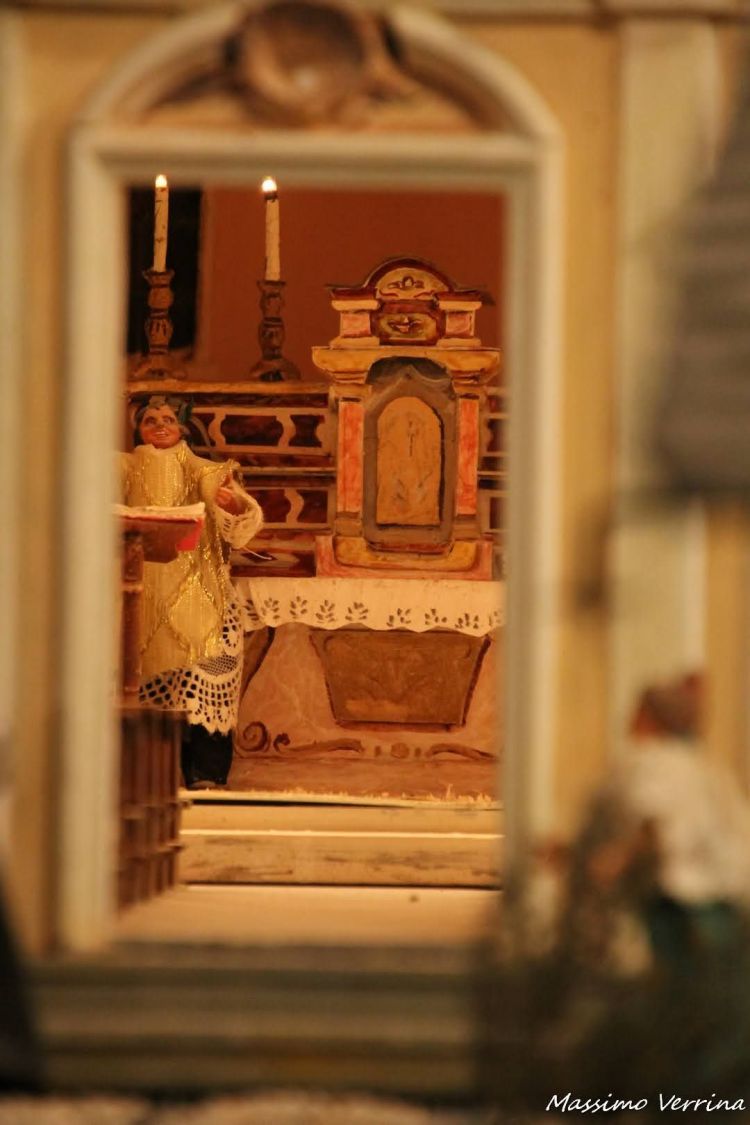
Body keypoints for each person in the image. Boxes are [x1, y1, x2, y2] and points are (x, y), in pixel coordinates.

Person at [121, 395, 263, 787]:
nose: (159, 426)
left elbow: (240, 523)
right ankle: (144, 778)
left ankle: (206, 774)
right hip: (140, 596)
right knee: (142, 688)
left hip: (200, 598)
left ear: (183, 427)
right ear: (138, 428)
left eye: (168, 419)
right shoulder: (123, 467)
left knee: (201, 686)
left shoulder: (206, 470)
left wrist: (232, 505)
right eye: (150, 420)